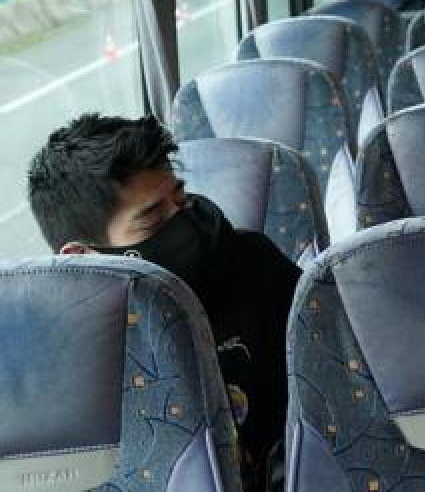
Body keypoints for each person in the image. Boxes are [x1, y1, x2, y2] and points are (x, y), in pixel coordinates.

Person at [26, 114, 300, 492]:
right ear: (82, 256)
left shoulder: (255, 265)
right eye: (153, 220)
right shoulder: (54, 360)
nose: (186, 221)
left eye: (181, 198)